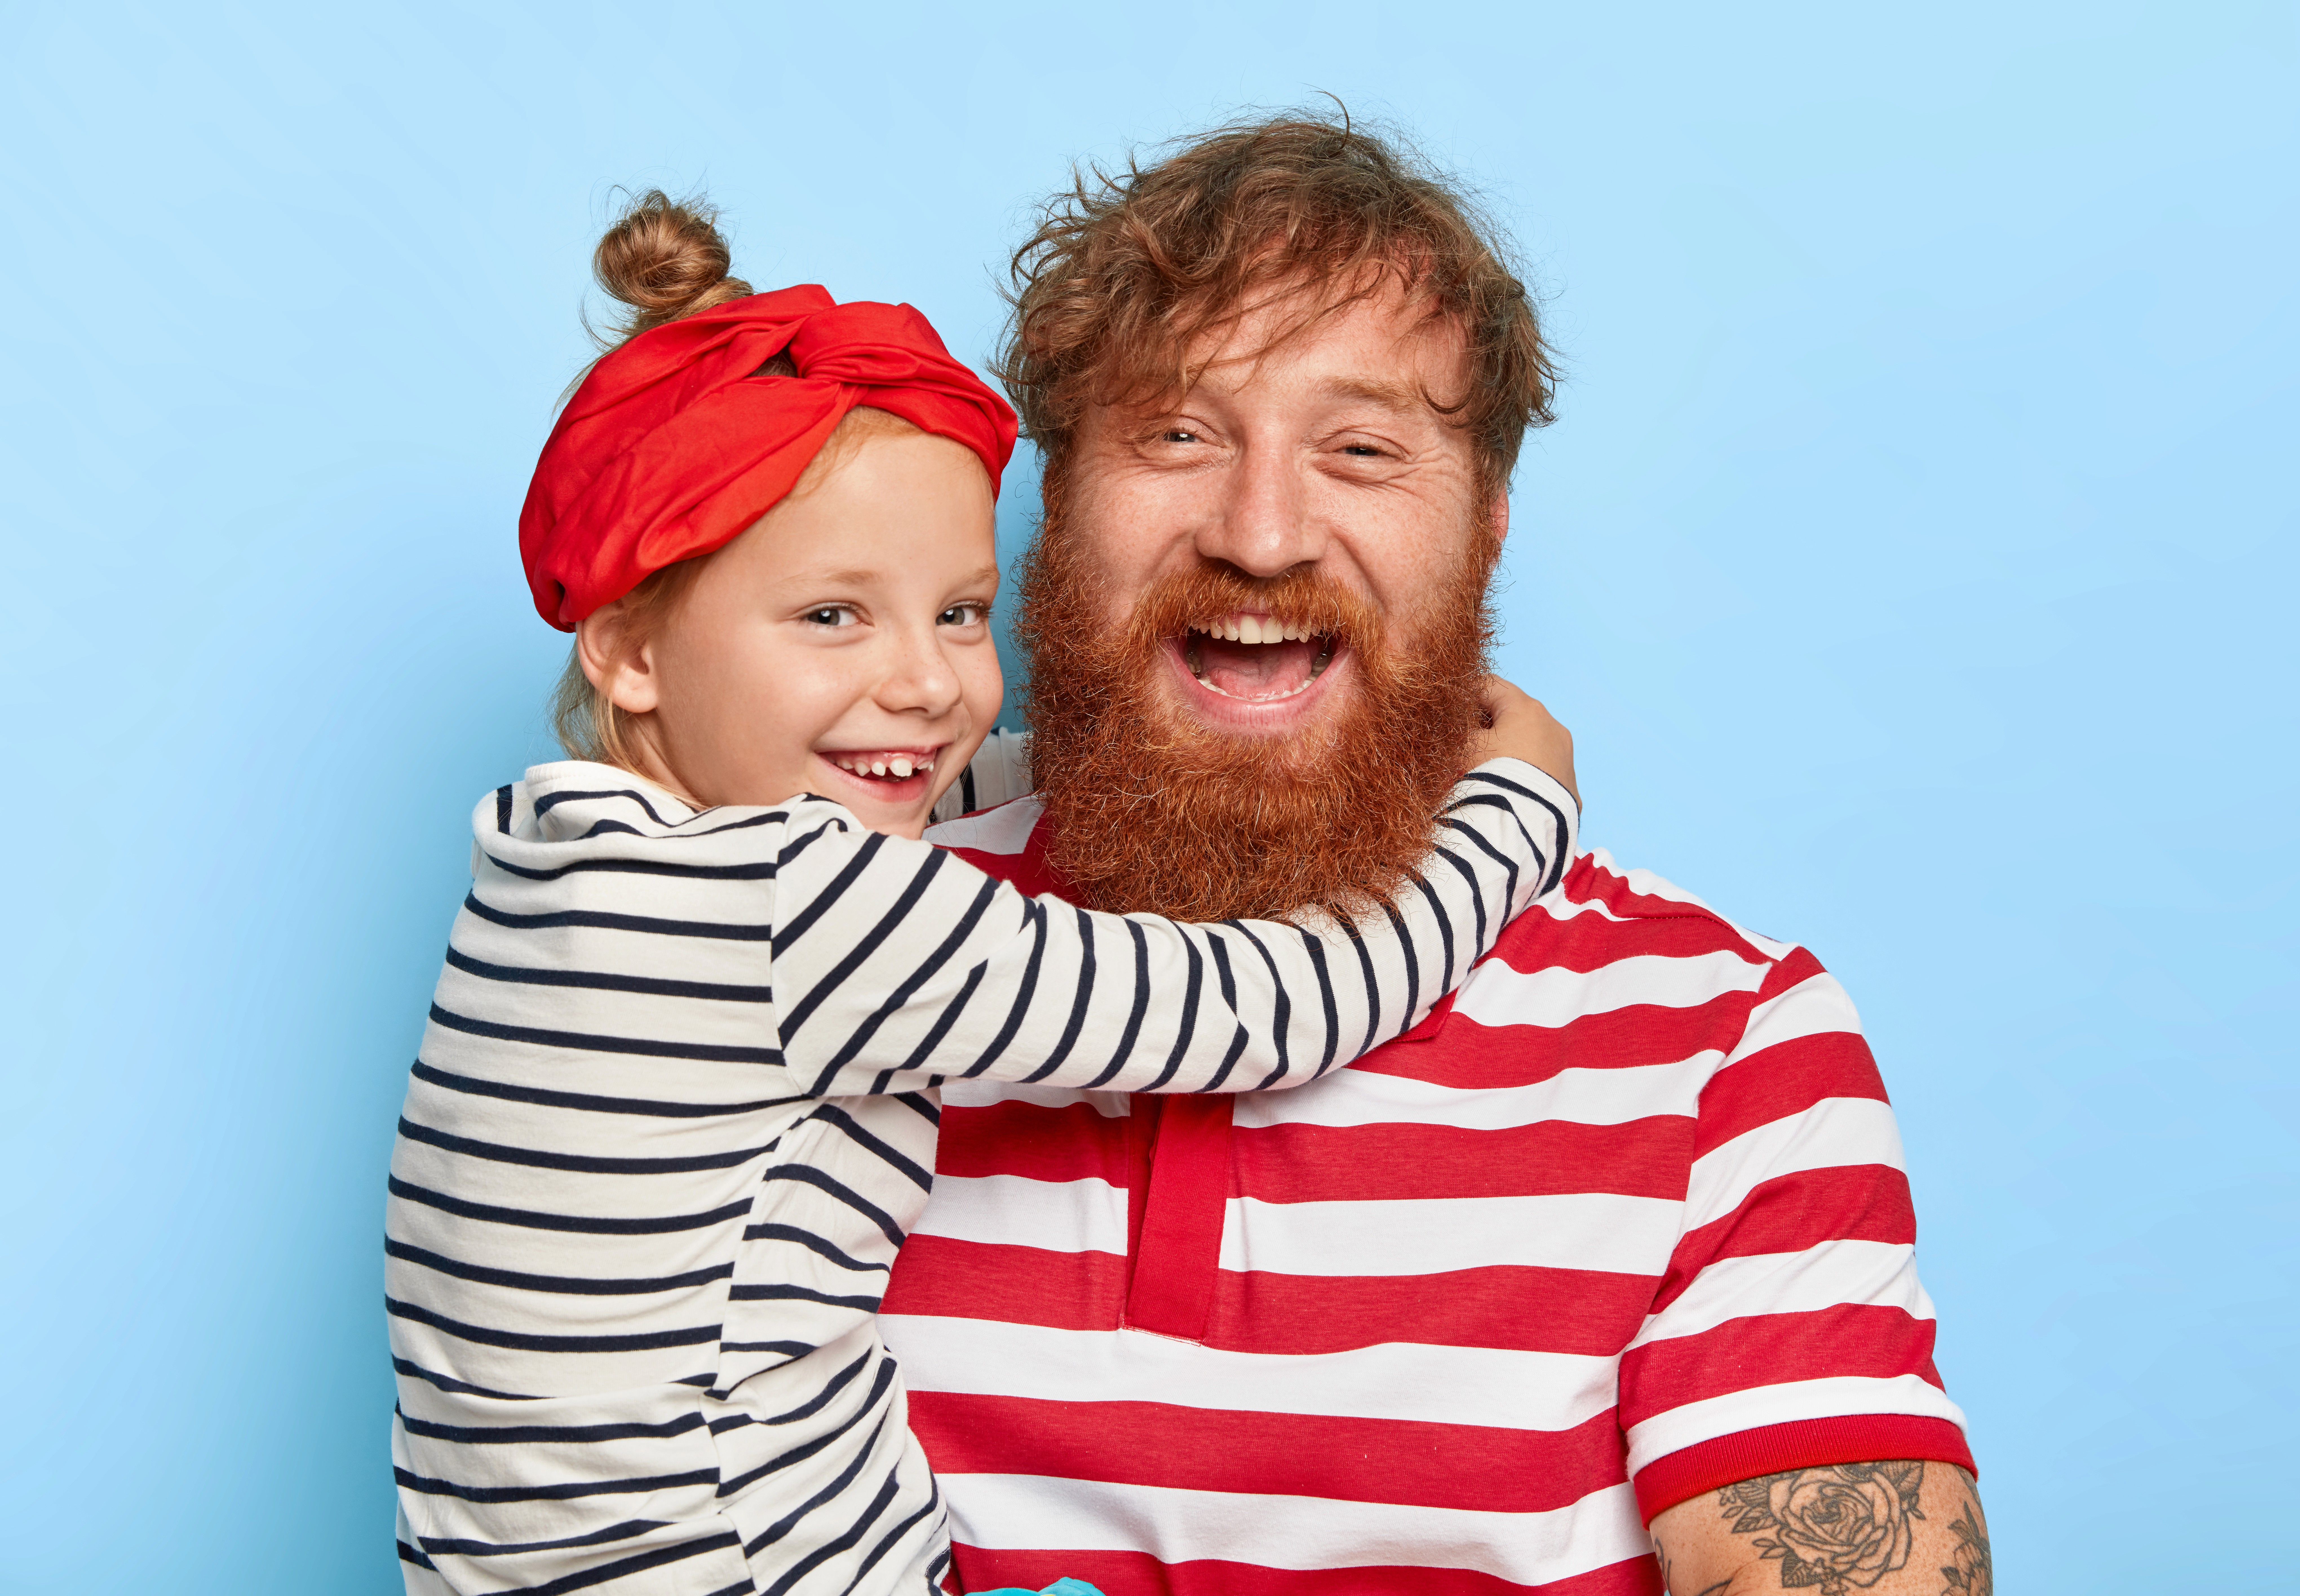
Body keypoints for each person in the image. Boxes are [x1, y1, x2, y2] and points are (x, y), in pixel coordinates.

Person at [385, 194, 1584, 1596]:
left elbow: (884, 790)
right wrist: (1509, 815)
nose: (929, 685)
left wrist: (1156, 755)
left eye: (959, 613)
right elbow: (1266, 1007)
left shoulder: (561, 859)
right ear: (630, 653)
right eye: (832, 615)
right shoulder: (803, 915)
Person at [882, 117, 1993, 1595]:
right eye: (1178, 434)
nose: (1264, 534)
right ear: (1051, 501)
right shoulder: (816, 952)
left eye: (1361, 449)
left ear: (1484, 527)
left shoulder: (1727, 1049)